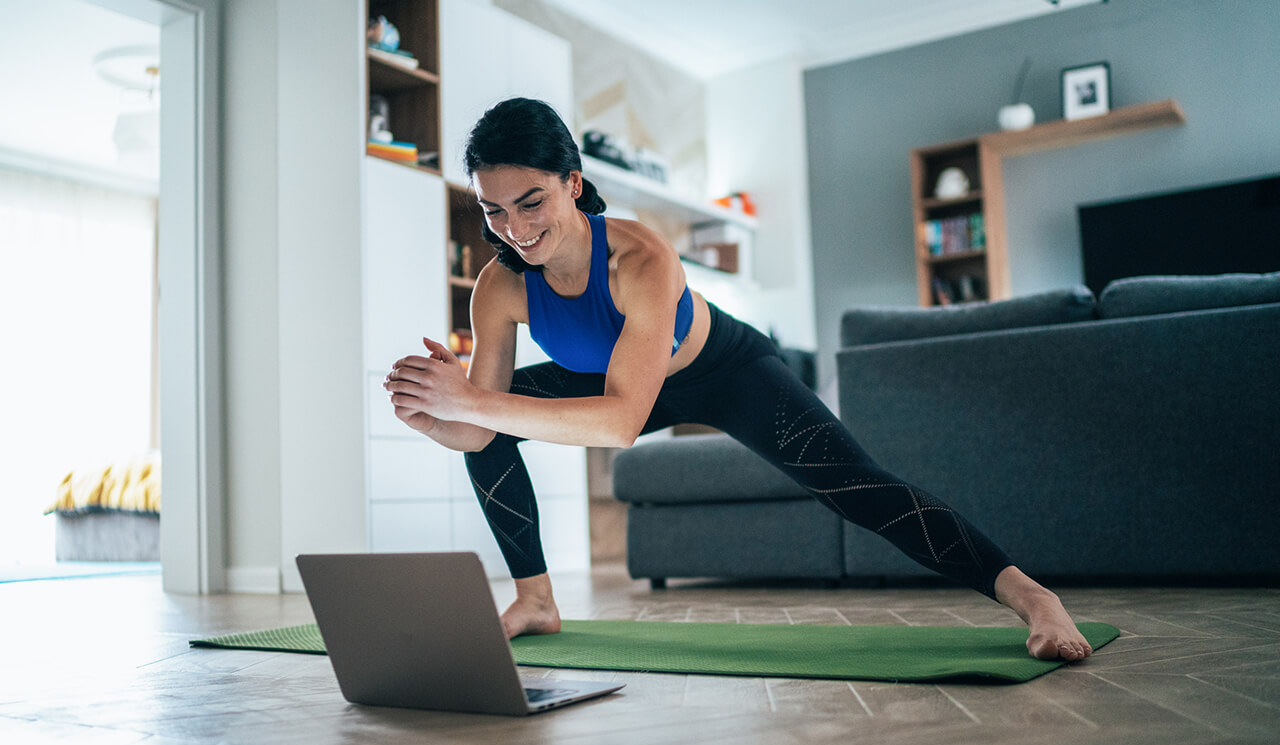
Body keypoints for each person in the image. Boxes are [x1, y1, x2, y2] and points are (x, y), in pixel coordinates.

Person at [384, 98, 1093, 662]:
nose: (512, 228)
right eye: (492, 209)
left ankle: (1034, 599)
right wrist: (442, 416)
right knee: (489, 436)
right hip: (613, 384)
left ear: (573, 183)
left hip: (723, 372)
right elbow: (483, 427)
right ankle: (535, 599)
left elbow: (622, 422)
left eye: (530, 202)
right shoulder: (497, 287)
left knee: (858, 486)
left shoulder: (641, 259)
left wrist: (475, 401)